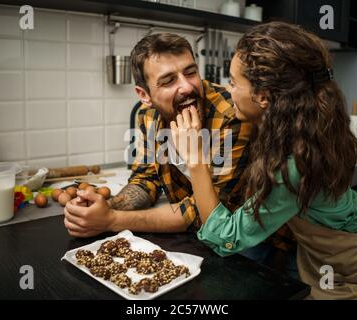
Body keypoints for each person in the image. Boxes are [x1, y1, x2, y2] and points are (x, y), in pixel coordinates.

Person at [170, 21, 357, 299]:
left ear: (264, 96)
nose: (228, 90)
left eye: (233, 82)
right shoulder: (307, 124)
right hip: (334, 248)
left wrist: (195, 159)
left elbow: (226, 237)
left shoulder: (296, 164)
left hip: (344, 269)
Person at [63, 33, 252, 237]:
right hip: (194, 237)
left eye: (191, 72)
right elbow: (146, 179)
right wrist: (104, 207)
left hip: (244, 243)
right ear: (144, 95)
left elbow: (209, 211)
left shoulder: (231, 115)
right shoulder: (149, 116)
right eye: (168, 80)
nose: (187, 87)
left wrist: (112, 220)